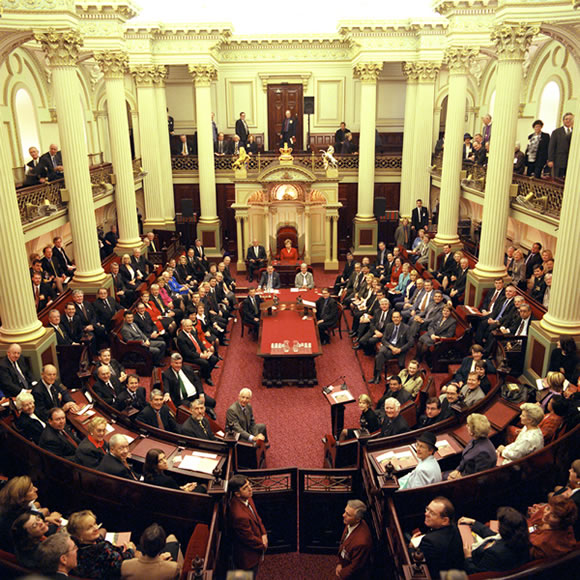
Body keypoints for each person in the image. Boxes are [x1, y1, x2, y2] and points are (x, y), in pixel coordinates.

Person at [459, 507, 530, 574]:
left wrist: (468, 557)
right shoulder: (521, 540)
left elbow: (477, 573)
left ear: (504, 530)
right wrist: (474, 522)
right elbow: (494, 536)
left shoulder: (494, 554)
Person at [67, 509, 136, 578]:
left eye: (94, 523)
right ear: (79, 536)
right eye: (89, 528)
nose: (96, 528)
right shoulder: (101, 550)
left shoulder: (80, 544)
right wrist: (130, 550)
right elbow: (121, 565)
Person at [409, 497, 464, 578]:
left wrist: (411, 546)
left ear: (445, 520)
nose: (426, 514)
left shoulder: (429, 541)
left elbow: (416, 562)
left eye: (432, 513)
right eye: (427, 509)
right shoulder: (454, 527)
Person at [228, 474, 267, 575]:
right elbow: (248, 539)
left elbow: (256, 517)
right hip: (247, 557)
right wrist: (263, 545)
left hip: (257, 541)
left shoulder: (247, 498)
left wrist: (263, 533)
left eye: (249, 485)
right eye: (245, 488)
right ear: (237, 494)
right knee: (248, 576)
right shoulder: (239, 516)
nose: (250, 489)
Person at [447, 413, 497, 480]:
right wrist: (457, 470)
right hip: (462, 474)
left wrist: (460, 479)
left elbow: (479, 479)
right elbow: (464, 460)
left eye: (468, 425)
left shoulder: (484, 453)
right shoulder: (475, 440)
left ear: (472, 432)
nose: (466, 426)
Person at [528, 494, 578, 559]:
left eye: (554, 516)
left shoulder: (549, 542)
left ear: (562, 521)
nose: (546, 514)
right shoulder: (549, 516)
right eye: (548, 508)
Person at [370, 311, 413, 383]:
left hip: (399, 349)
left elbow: (410, 342)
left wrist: (400, 349)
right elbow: (383, 339)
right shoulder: (389, 326)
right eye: (394, 317)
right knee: (380, 354)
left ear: (401, 318)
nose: (395, 319)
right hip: (389, 346)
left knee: (379, 355)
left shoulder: (406, 328)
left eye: (397, 317)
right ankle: (377, 376)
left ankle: (376, 376)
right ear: (392, 318)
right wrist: (391, 347)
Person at [336, 499, 373, 579]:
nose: (343, 515)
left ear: (358, 519)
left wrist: (341, 574)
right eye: (345, 511)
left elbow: (355, 567)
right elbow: (343, 543)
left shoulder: (361, 542)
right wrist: (340, 563)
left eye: (348, 514)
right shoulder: (351, 523)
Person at [176, 319, 218, 385]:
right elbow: (187, 353)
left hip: (199, 352)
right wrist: (200, 355)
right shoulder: (181, 338)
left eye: (190, 325)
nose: (189, 327)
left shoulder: (192, 331)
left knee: (214, 359)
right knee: (205, 363)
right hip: (190, 356)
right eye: (187, 326)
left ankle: (205, 373)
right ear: (183, 326)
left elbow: (199, 342)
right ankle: (207, 377)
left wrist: (204, 350)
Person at [547, 112, 574, 178]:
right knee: (557, 179)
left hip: (570, 161)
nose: (568, 121)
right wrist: (550, 159)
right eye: (566, 119)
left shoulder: (575, 132)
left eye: (570, 119)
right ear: (563, 120)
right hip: (558, 160)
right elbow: (551, 146)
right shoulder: (556, 132)